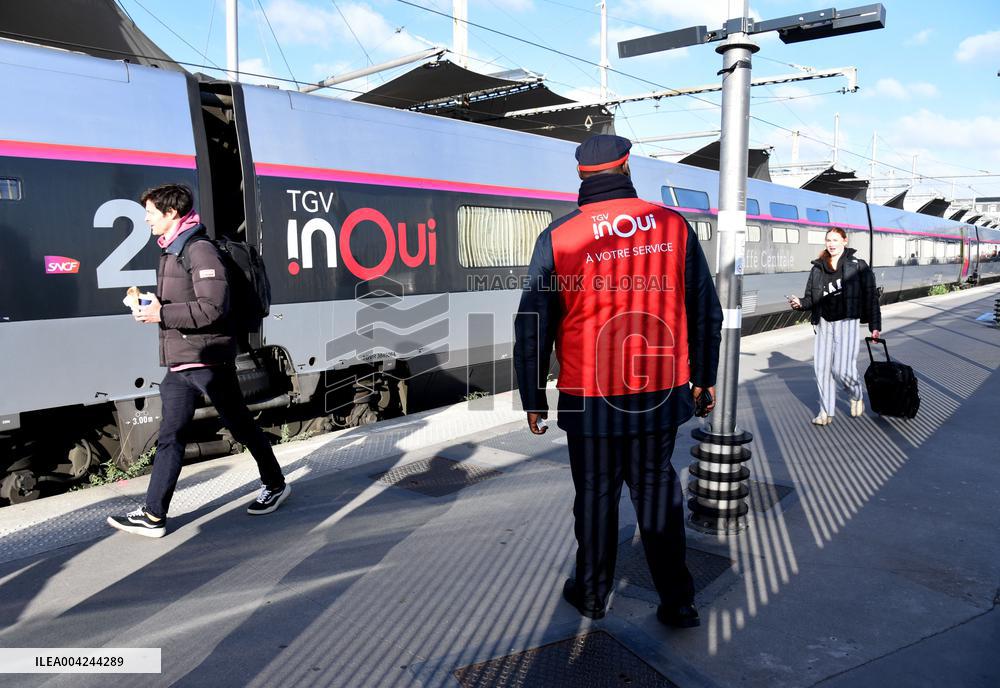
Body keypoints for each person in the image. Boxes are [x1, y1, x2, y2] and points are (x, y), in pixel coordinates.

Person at [513, 135, 723, 628]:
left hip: (589, 396)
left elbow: (533, 324)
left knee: (596, 496)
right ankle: (678, 601)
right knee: (658, 495)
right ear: (627, 165)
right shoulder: (672, 225)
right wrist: (704, 378)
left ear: (582, 175)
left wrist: (532, 396)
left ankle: (592, 594)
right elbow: (704, 309)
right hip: (659, 388)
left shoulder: (560, 235)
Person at [108, 184, 289, 538]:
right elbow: (180, 304)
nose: (145, 219)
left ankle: (276, 483)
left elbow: (212, 308)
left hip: (209, 361)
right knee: (170, 437)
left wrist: (163, 313)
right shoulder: (170, 252)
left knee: (241, 427)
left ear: (171, 213)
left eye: (150, 213)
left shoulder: (200, 250)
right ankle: (153, 515)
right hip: (181, 363)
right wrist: (152, 308)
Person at [788, 227, 882, 425]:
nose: (831, 244)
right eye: (828, 240)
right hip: (823, 322)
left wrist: (875, 326)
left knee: (841, 369)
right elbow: (810, 299)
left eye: (835, 240)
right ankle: (825, 412)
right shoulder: (818, 268)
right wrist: (800, 304)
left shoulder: (858, 266)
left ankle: (856, 393)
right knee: (821, 368)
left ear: (845, 241)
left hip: (847, 321)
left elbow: (871, 298)